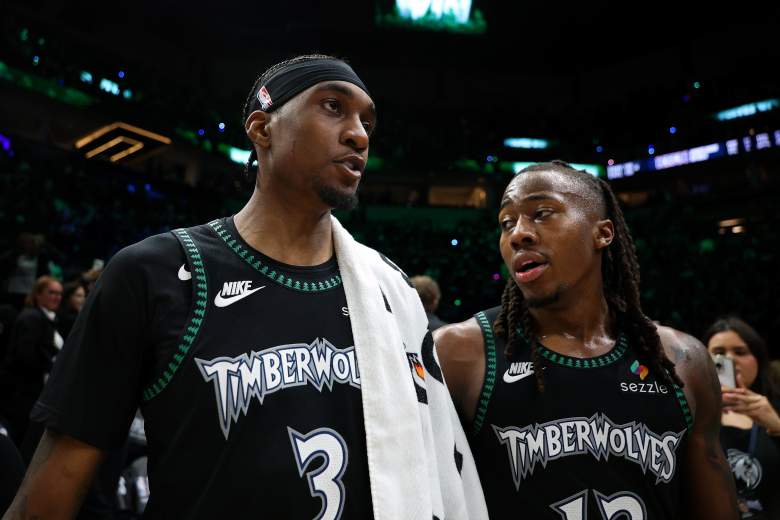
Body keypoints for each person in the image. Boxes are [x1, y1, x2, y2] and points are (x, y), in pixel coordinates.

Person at [4, 54, 486, 520]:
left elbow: (444, 470)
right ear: (261, 128)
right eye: (333, 106)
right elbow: (44, 504)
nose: (359, 134)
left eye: (368, 121)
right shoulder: (154, 273)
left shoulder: (390, 291)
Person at [435, 160, 739, 519]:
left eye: (542, 213)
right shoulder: (458, 354)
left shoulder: (682, 361)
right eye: (506, 222)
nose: (518, 233)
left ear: (603, 233)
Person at [705, 316, 780, 519]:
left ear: (757, 358)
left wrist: (776, 426)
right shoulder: (691, 410)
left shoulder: (775, 407)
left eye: (740, 352)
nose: (730, 359)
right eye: (719, 353)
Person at [0, 275, 63, 446]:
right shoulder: (32, 318)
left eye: (59, 293)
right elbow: (24, 357)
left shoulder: (47, 319)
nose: (56, 297)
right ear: (38, 294)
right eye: (51, 292)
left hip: (32, 393)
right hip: (21, 394)